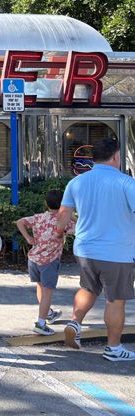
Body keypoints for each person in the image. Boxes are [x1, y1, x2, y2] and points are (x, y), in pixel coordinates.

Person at [56, 138, 135, 361]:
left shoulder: (77, 182)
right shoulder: (126, 183)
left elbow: (63, 216)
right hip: (117, 251)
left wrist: (58, 233)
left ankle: (75, 323)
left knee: (88, 288)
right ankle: (113, 348)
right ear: (116, 157)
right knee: (116, 299)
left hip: (85, 249)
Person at [16, 190, 74, 336]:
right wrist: (70, 215)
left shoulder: (39, 217)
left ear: (45, 203)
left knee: (40, 287)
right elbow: (82, 227)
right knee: (48, 292)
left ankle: (47, 313)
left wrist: (28, 238)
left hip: (34, 258)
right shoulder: (63, 221)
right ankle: (41, 324)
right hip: (49, 261)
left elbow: (20, 222)